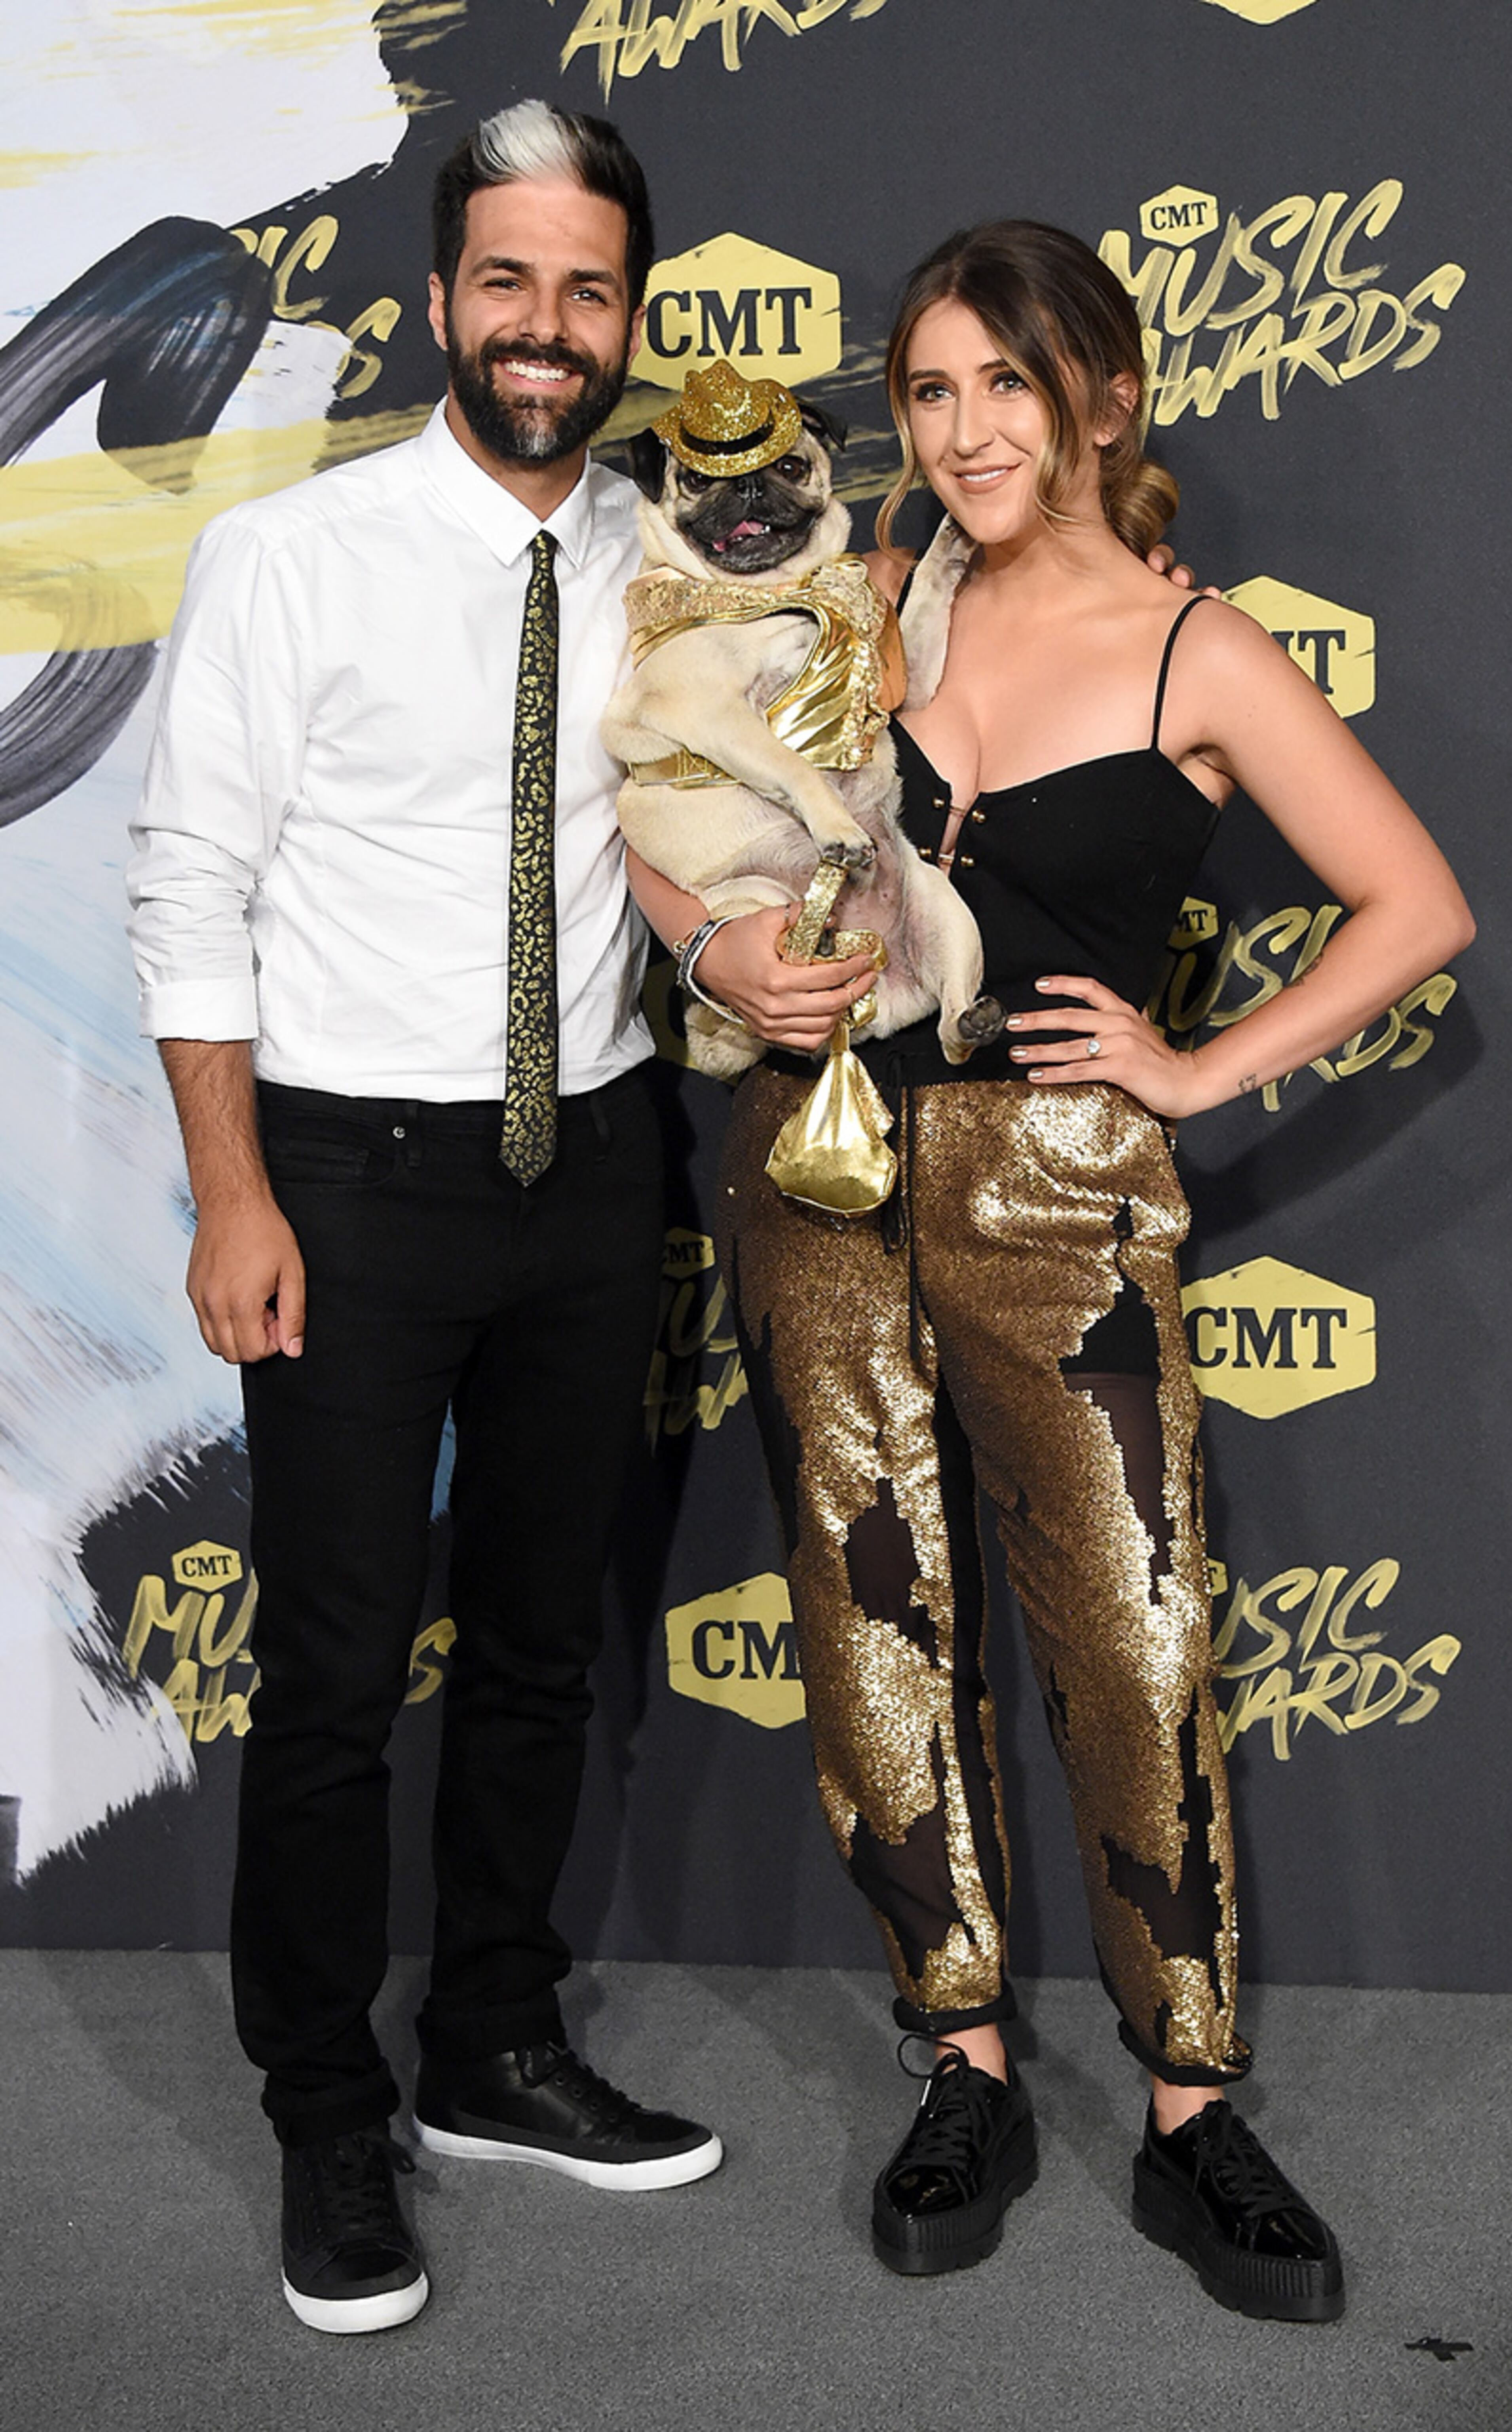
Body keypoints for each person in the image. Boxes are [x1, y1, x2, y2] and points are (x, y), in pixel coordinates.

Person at [627, 220, 1473, 2319]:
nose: (965, 427)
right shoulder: (866, 593)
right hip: (813, 1163)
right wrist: (709, 942)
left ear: (1102, 395)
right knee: (866, 1606)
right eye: (928, 390)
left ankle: (1192, 2107)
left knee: (1132, 1625)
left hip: (1061, 1182)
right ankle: (966, 2058)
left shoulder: (1205, 654)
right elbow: (657, 784)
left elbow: (1416, 905)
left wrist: (1193, 1065)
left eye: (1005, 382)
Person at [126, 99, 724, 2337]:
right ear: (444, 297)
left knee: (551, 1647)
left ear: (632, 316)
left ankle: (489, 2041)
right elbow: (188, 878)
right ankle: (323, 2112)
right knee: (339, 1672)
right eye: (507, 283)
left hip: (599, 1170)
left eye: (586, 289)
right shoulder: (298, 556)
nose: (545, 328)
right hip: (351, 1185)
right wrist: (230, 1194)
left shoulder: (677, 560)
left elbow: (700, 846)